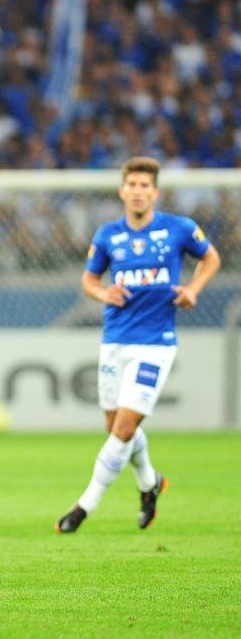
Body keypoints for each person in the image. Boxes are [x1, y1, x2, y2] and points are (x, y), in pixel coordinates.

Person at [56, 157, 220, 533]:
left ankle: (83, 507)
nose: (138, 191)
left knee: (125, 430)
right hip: (115, 340)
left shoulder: (179, 229)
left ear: (155, 192)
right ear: (122, 191)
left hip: (156, 343)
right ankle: (150, 483)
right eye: (132, 184)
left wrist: (193, 288)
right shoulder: (108, 235)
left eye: (145, 186)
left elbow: (211, 258)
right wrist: (102, 292)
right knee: (115, 426)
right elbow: (88, 280)